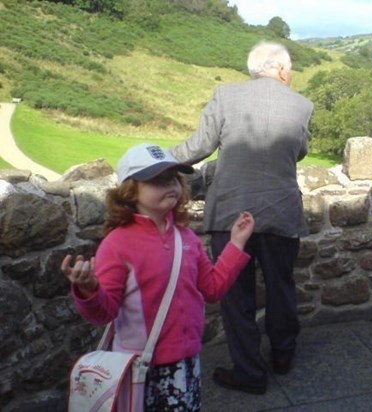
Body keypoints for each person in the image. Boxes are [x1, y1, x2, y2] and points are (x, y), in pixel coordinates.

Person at [61, 143, 255, 411]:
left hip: (186, 362)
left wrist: (235, 244)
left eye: (174, 178)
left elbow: (212, 289)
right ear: (130, 191)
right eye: (157, 180)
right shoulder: (117, 244)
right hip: (142, 366)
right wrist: (88, 290)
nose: (170, 185)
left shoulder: (186, 238)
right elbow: (104, 313)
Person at [170, 41, 314, 394]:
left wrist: (154, 160)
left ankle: (249, 372)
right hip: (281, 211)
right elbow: (300, 150)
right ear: (281, 70)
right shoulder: (303, 105)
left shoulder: (225, 95)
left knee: (236, 295)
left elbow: (199, 147)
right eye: (290, 68)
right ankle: (283, 356)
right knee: (281, 286)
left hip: (231, 211)